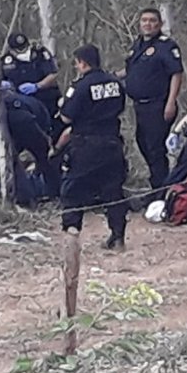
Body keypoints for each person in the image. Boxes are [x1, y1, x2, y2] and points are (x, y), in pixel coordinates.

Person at [55, 44, 129, 250]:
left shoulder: (79, 87)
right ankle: (118, 235)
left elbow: (66, 116)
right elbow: (120, 108)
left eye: (77, 63)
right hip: (112, 143)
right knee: (112, 190)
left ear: (82, 62)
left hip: (86, 145)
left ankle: (71, 236)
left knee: (72, 190)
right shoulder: (114, 82)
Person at [122, 8, 184, 199]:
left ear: (160, 24)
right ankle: (158, 185)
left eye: (152, 21)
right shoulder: (137, 45)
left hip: (159, 105)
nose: (147, 24)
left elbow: (176, 74)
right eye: (144, 20)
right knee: (143, 144)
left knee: (155, 148)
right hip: (140, 106)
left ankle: (161, 192)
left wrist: (171, 102)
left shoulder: (166, 46)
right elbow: (130, 71)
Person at [0, 80, 60, 205]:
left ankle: (21, 196)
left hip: (16, 130)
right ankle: (53, 193)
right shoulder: (29, 100)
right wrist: (46, 139)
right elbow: (44, 119)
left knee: (11, 162)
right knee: (44, 158)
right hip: (31, 127)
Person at [1, 33, 61, 133]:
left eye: (24, 48)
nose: (23, 52)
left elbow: (53, 75)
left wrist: (37, 86)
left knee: (54, 129)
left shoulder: (41, 53)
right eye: (19, 50)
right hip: (22, 104)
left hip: (47, 98)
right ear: (11, 50)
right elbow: (1, 81)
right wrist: (6, 86)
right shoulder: (6, 61)